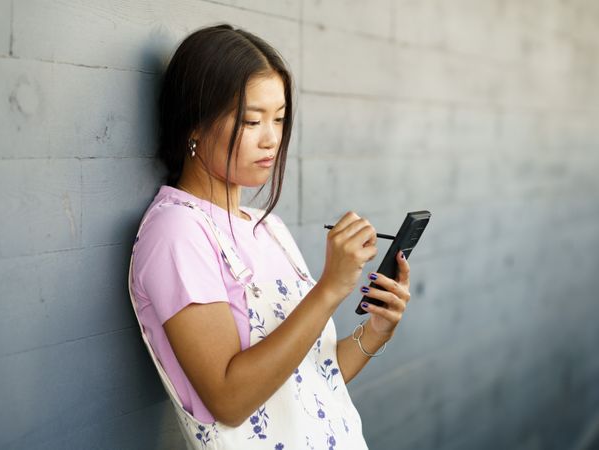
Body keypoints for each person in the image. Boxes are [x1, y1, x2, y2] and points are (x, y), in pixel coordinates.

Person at [128, 23, 412, 449]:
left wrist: (376, 329)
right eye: (251, 120)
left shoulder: (268, 228)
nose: (272, 139)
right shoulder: (177, 232)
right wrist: (330, 288)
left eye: (279, 119)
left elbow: (311, 378)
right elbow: (229, 399)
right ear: (195, 125)